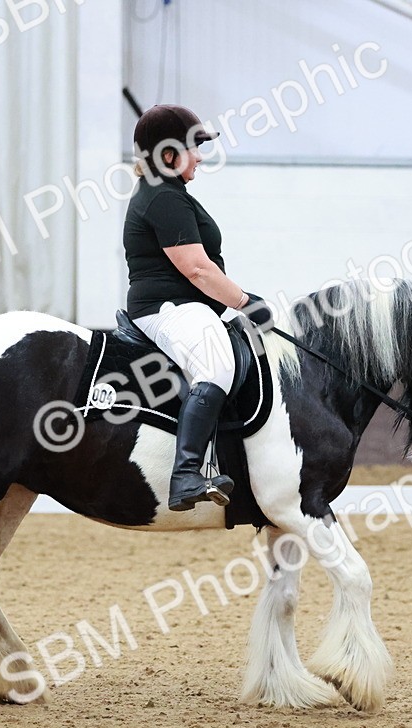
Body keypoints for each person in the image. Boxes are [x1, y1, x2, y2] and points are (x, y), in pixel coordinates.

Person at [123, 104, 272, 512]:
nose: (201, 157)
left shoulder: (171, 194)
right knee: (217, 364)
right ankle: (186, 474)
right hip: (170, 307)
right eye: (194, 148)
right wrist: (245, 302)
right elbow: (198, 269)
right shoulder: (162, 199)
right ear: (169, 154)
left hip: (183, 305)